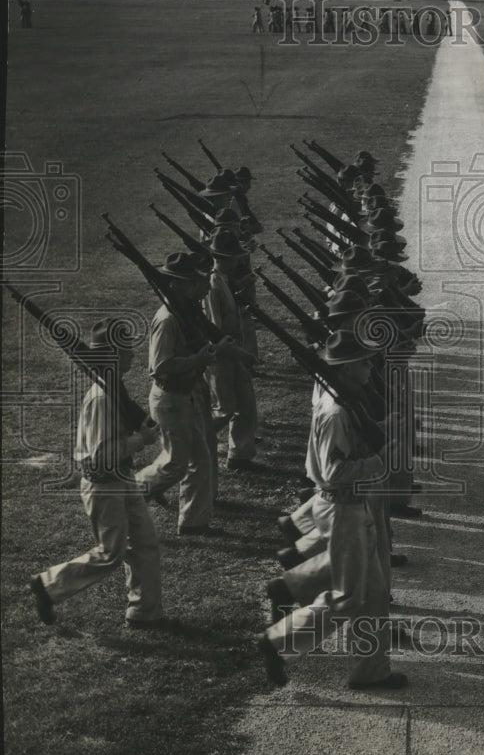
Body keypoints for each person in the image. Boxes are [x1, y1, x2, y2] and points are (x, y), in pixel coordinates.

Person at [257, 330, 406, 690]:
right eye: (364, 361)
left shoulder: (344, 401)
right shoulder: (337, 411)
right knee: (348, 597)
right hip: (343, 509)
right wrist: (379, 459)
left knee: (371, 594)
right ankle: (276, 642)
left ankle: (371, 672)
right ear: (346, 368)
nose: (371, 366)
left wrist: (386, 429)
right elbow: (334, 472)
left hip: (351, 506)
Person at [28, 318, 177, 629]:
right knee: (111, 553)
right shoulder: (102, 399)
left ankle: (145, 613)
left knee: (145, 544)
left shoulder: (114, 389)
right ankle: (48, 585)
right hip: (104, 484)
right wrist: (141, 441)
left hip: (121, 479)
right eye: (125, 352)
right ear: (111, 357)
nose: (133, 357)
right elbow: (102, 455)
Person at [135, 253, 230, 535]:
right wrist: (199, 360)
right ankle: (131, 493)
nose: (206, 287)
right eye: (199, 282)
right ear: (183, 285)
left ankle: (193, 522)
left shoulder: (185, 312)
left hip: (184, 395)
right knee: (178, 463)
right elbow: (161, 367)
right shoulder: (168, 319)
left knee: (195, 460)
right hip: (171, 399)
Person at [203, 229, 261, 472]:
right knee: (224, 409)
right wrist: (241, 354)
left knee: (246, 404)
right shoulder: (213, 285)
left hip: (233, 348)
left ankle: (240, 456)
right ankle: (195, 443)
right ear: (223, 257)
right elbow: (214, 330)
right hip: (221, 354)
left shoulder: (224, 279)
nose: (239, 260)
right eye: (235, 256)